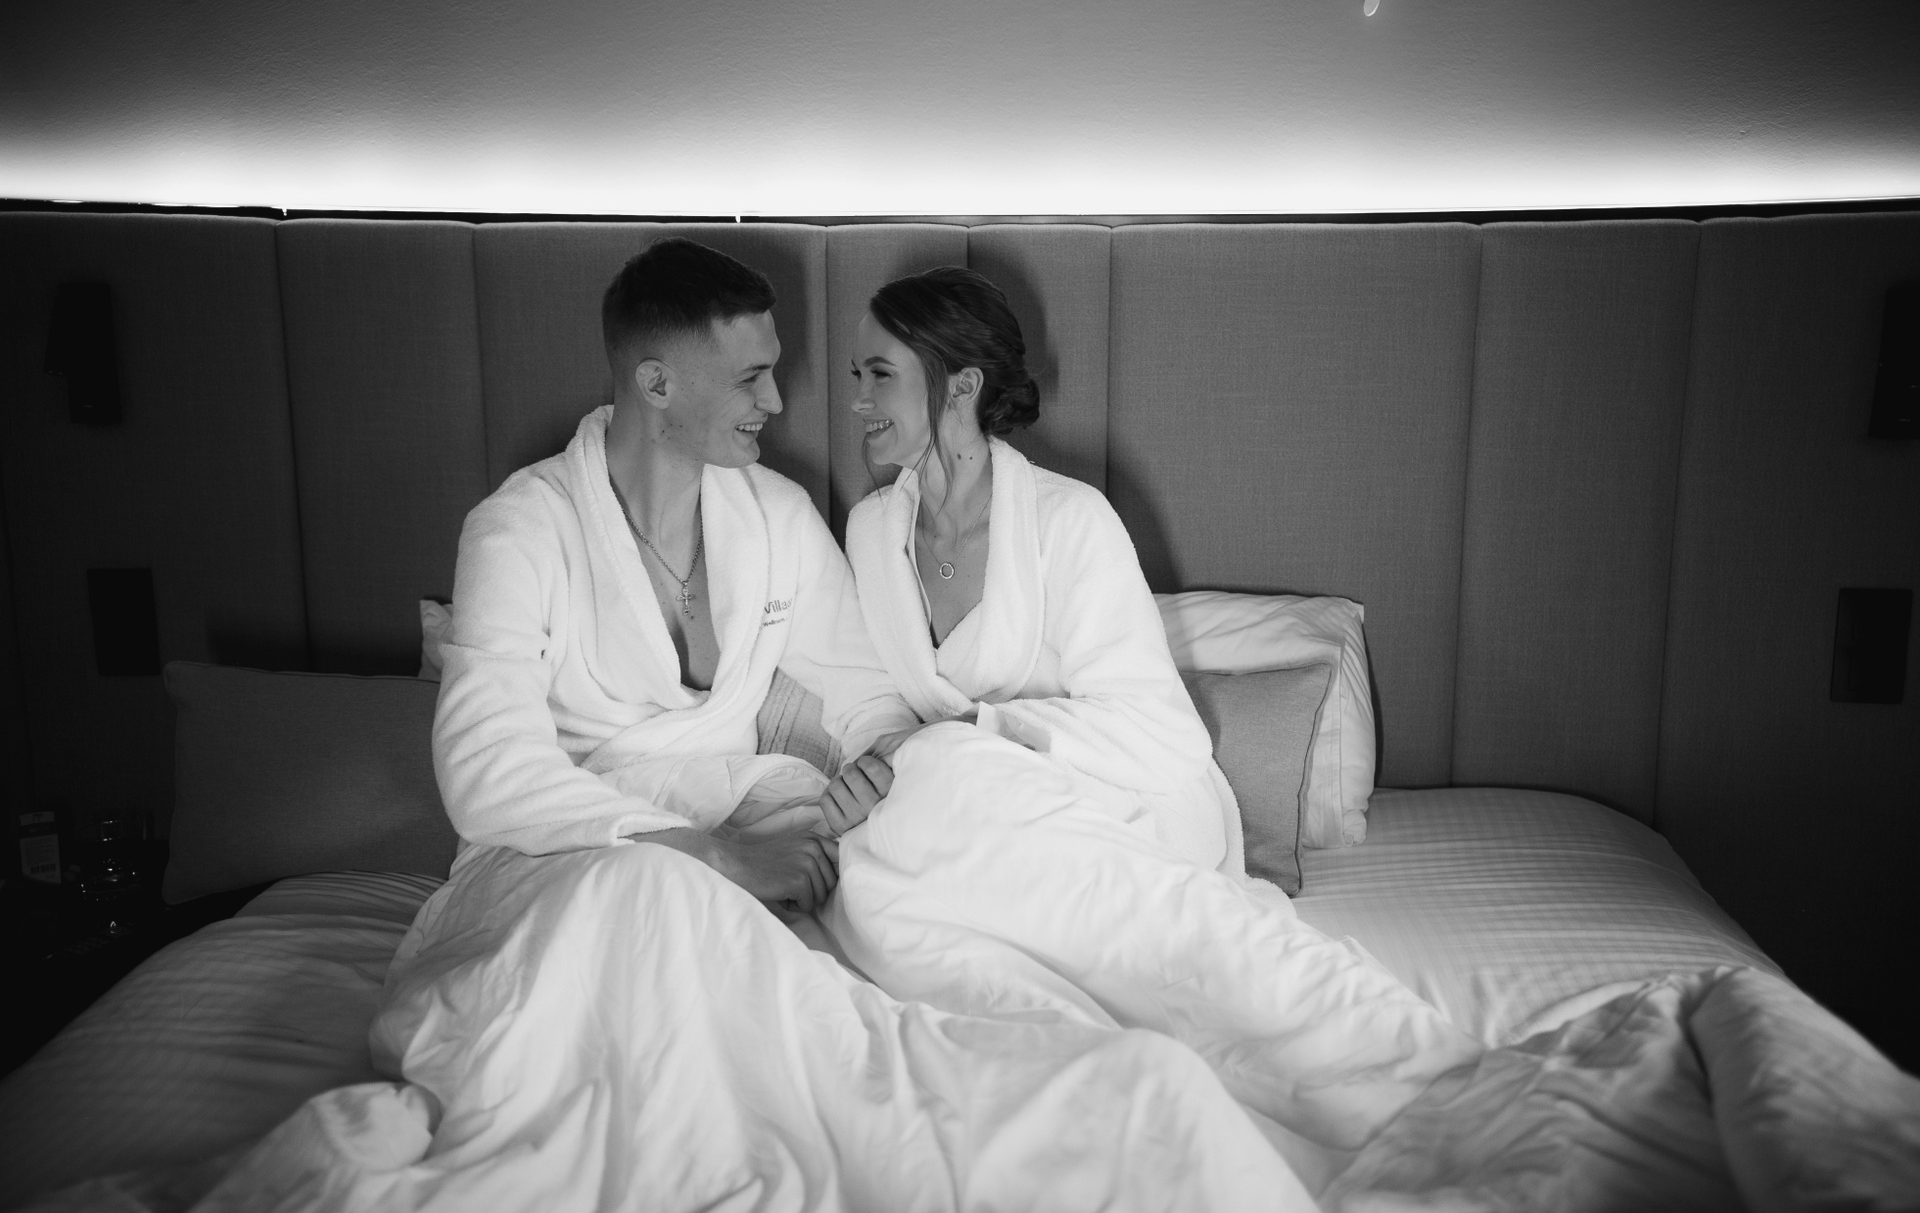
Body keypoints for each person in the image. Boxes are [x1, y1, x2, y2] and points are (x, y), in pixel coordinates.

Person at [186, 240, 1315, 1213]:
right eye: (754, 377)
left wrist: (880, 778)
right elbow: (487, 775)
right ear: (657, 383)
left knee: (835, 1018)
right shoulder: (522, 530)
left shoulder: (776, 518)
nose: (782, 403)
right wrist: (708, 854)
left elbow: (869, 696)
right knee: (613, 967)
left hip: (751, 836)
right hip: (563, 857)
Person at [825, 266, 1485, 1164]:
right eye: (855, 375)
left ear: (961, 384)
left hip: (1130, 799)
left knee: (945, 798)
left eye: (878, 374)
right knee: (877, 868)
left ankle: (1398, 1080)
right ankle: (1085, 1081)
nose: (855, 399)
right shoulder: (870, 532)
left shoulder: (1071, 522)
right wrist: (880, 763)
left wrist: (977, 738)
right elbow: (878, 705)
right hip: (969, 819)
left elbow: (1163, 735)